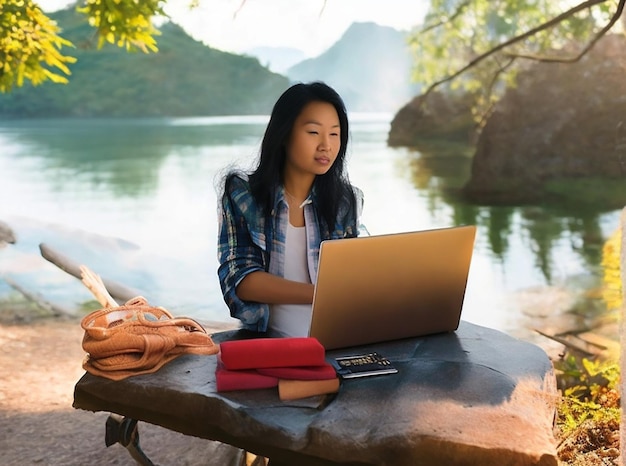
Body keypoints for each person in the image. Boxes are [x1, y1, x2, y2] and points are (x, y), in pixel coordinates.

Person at [217, 81, 364, 336]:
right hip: (274, 346)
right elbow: (239, 279)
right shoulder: (244, 195)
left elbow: (353, 276)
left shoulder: (345, 201)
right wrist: (319, 293)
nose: (326, 146)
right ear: (284, 134)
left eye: (334, 133)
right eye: (313, 132)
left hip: (339, 340)